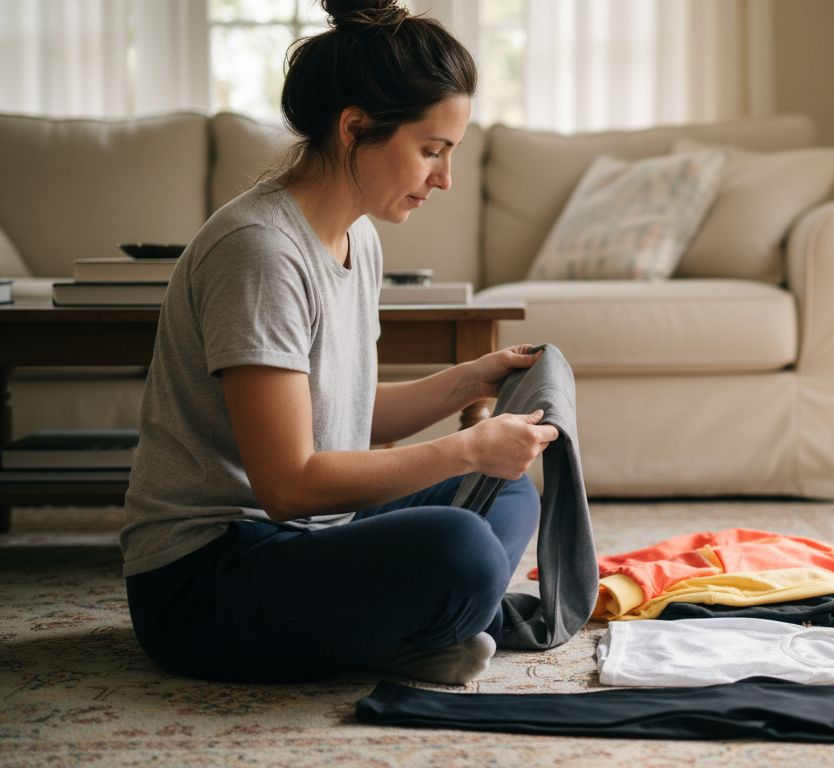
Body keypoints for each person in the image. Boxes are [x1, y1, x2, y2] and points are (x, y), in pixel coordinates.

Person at [119, 0, 557, 686]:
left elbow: (340, 410)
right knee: (462, 548)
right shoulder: (260, 252)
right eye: (431, 150)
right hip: (204, 577)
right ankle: (420, 627)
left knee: (507, 494)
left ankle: (411, 630)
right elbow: (289, 484)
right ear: (355, 128)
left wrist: (471, 380)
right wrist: (467, 443)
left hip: (305, 541)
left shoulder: (361, 238)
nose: (445, 178)